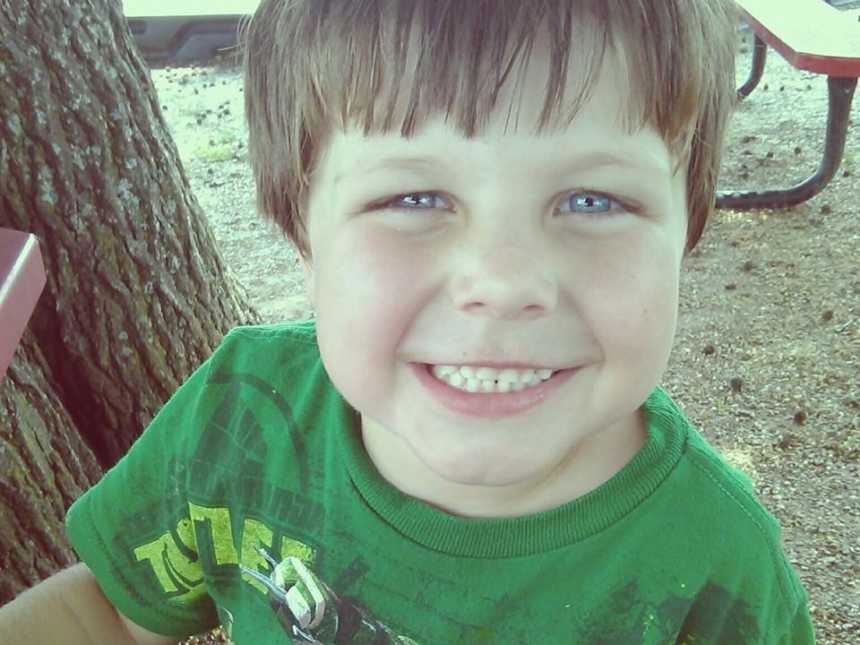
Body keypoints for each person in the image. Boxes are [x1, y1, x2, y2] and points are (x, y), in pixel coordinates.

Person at [0, 1, 816, 643]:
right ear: (302, 234)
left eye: (593, 199)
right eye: (414, 198)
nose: (502, 283)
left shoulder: (718, 573)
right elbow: (107, 614)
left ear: (688, 232)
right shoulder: (242, 419)